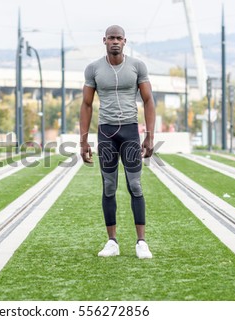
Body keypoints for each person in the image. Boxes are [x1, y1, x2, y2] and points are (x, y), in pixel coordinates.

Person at [79, 25, 155, 259]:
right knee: (109, 186)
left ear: (125, 41)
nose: (115, 42)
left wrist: (150, 135)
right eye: (111, 38)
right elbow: (87, 104)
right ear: (104, 40)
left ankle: (141, 242)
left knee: (135, 185)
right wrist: (83, 140)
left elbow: (148, 99)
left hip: (130, 132)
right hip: (106, 133)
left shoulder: (136, 66)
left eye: (118, 38)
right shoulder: (93, 69)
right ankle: (112, 241)